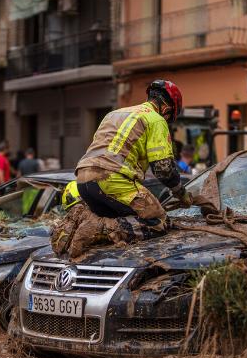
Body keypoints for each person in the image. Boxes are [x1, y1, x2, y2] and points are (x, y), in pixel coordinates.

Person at [53, 79, 191, 256]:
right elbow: (163, 169)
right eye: (169, 118)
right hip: (113, 179)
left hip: (83, 179)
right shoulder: (156, 120)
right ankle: (97, 228)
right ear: (167, 109)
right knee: (158, 222)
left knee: (121, 223)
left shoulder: (114, 114)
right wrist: (181, 193)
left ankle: (79, 222)